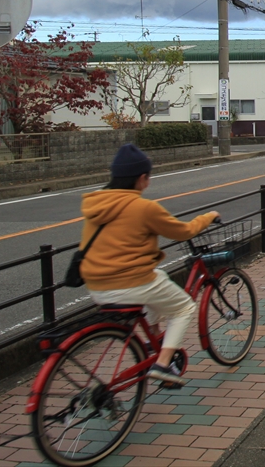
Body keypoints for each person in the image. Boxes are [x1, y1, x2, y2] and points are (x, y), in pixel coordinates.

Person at [81, 143, 219, 388]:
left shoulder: (96, 204)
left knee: (158, 276)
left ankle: (154, 336)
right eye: (148, 177)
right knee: (184, 308)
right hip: (130, 283)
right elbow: (183, 231)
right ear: (141, 178)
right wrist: (208, 217)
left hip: (96, 285)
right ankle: (163, 364)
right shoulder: (143, 207)